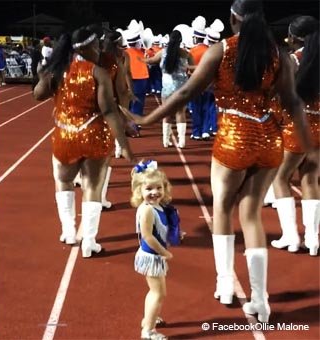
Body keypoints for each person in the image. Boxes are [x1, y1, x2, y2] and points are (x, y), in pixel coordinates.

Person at [132, 0, 314, 323]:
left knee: (222, 208)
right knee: (252, 215)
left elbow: (187, 92)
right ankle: (260, 300)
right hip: (269, 139)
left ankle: (226, 283)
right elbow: (292, 102)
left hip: (234, 137)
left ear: (233, 19)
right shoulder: (279, 55)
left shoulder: (222, 50)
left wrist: (147, 121)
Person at [34, 26, 134, 258]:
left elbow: (38, 94)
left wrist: (42, 76)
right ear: (92, 47)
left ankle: (68, 230)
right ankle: (89, 241)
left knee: (64, 182)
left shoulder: (58, 69)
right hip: (94, 134)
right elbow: (109, 110)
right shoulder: (99, 71)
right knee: (92, 188)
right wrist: (124, 143)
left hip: (65, 135)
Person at [270, 15, 319, 256]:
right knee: (310, 179)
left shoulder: (293, 60)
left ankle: (291, 237)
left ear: (295, 38)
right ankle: (312, 239)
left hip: (298, 127)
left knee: (280, 178)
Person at [131, 161, 173, 340]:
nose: (154, 192)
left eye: (159, 188)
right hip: (151, 256)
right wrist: (165, 252)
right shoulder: (147, 210)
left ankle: (149, 317)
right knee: (158, 293)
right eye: (149, 189)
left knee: (156, 291)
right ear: (139, 191)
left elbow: (160, 229)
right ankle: (148, 330)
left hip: (155, 255)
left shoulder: (158, 207)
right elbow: (148, 236)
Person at [145, 29, 194, 149]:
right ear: (181, 41)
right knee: (180, 112)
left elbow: (151, 61)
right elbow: (192, 69)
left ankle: (165, 141)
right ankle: (181, 141)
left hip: (167, 87)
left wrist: (143, 59)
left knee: (166, 114)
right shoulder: (186, 54)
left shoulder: (163, 52)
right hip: (182, 87)